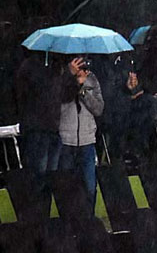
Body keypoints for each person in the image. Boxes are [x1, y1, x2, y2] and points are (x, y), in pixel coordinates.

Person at [15, 53, 84, 177]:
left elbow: (63, 97)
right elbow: (47, 94)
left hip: (53, 129)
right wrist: (68, 74)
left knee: (52, 176)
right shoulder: (31, 66)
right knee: (39, 175)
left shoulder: (55, 66)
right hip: (36, 130)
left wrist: (76, 82)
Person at [58, 57, 104, 208]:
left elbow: (98, 109)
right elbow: (58, 106)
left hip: (87, 141)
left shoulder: (92, 79)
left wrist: (83, 89)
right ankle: (69, 224)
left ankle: (89, 222)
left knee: (90, 188)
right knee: (66, 190)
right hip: (66, 141)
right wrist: (72, 83)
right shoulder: (61, 79)